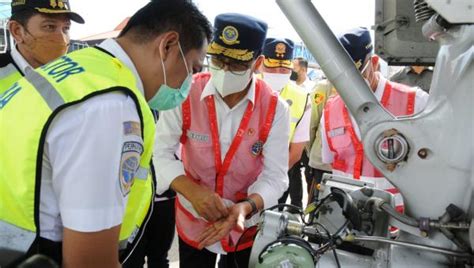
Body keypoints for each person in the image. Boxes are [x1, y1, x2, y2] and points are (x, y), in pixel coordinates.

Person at [0, 1, 212, 267]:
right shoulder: (110, 105)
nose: (187, 84)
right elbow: (89, 261)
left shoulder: (77, 69)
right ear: (168, 45)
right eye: (193, 68)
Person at [154, 13, 290, 268]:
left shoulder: (275, 108)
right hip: (193, 219)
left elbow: (276, 176)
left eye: (236, 64)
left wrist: (246, 207)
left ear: (257, 63)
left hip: (244, 226)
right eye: (218, 59)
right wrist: (192, 191)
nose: (225, 70)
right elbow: (159, 152)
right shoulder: (185, 93)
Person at [320, 27, 429, 213]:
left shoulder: (415, 102)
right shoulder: (330, 109)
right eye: (341, 79)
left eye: (357, 76)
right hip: (345, 223)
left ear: (375, 63)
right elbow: (332, 161)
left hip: (399, 226)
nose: (349, 86)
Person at [260, 37, 311, 208]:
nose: (278, 72)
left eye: (283, 68)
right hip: (239, 177)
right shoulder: (246, 88)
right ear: (260, 64)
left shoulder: (302, 98)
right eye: (272, 67)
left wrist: (270, 181)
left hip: (277, 178)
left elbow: (296, 153)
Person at [0, 0, 84, 95]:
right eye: (49, 26)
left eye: (66, 28)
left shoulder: (76, 73)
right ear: (17, 31)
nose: (63, 40)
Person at [305, 79, 335, 201]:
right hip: (331, 164)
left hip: (323, 162)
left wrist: (311, 151)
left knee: (319, 208)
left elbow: (311, 123)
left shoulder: (324, 86)